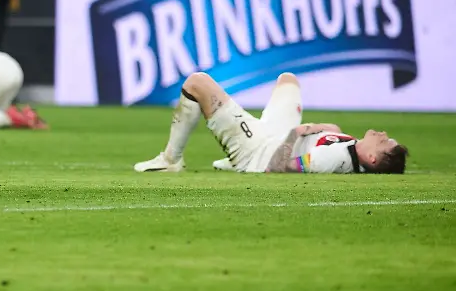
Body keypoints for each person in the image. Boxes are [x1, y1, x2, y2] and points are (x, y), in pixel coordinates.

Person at [133, 72, 409, 174]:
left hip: (259, 152)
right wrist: (330, 130)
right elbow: (328, 138)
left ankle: (171, 159)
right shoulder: (350, 148)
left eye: (384, 141)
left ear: (372, 158)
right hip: (276, 135)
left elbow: (280, 166)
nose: (383, 133)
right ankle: (228, 160)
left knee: (197, 83)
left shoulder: (335, 158)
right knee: (288, 80)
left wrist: (300, 131)